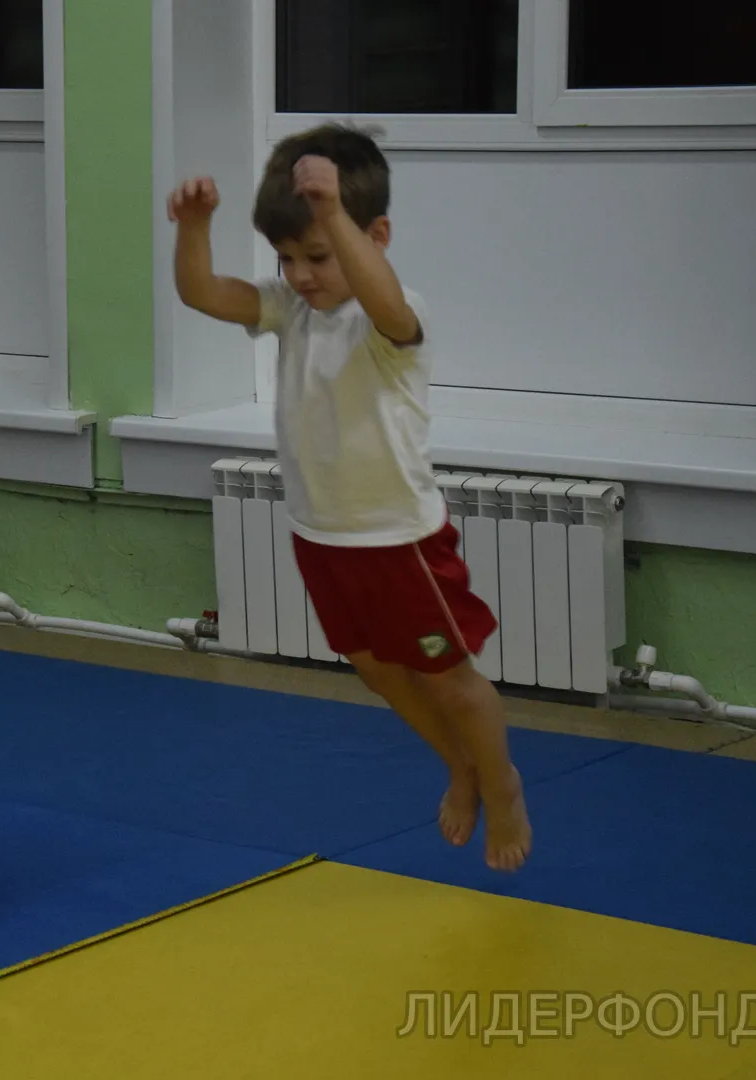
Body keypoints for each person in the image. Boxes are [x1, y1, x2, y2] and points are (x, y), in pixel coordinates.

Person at [167, 123, 531, 872]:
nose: (300, 275)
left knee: (449, 679)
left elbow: (387, 302)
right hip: (322, 536)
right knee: (376, 670)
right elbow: (200, 293)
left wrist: (333, 212)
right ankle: (458, 766)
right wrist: (194, 227)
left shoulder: (389, 314)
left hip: (400, 542)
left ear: (375, 236)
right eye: (287, 258)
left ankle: (502, 783)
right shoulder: (289, 308)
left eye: (318, 255)